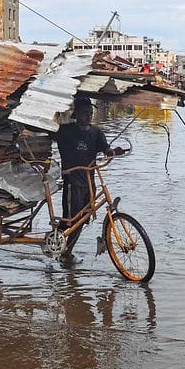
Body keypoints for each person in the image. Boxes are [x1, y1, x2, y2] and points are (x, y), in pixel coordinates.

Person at [52, 97, 125, 262]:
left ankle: (66, 252)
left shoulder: (96, 132)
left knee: (82, 220)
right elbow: (47, 131)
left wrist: (114, 152)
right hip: (72, 182)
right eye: (85, 113)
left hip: (89, 183)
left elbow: (106, 150)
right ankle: (60, 246)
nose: (88, 116)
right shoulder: (65, 131)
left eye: (90, 113)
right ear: (76, 114)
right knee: (71, 220)